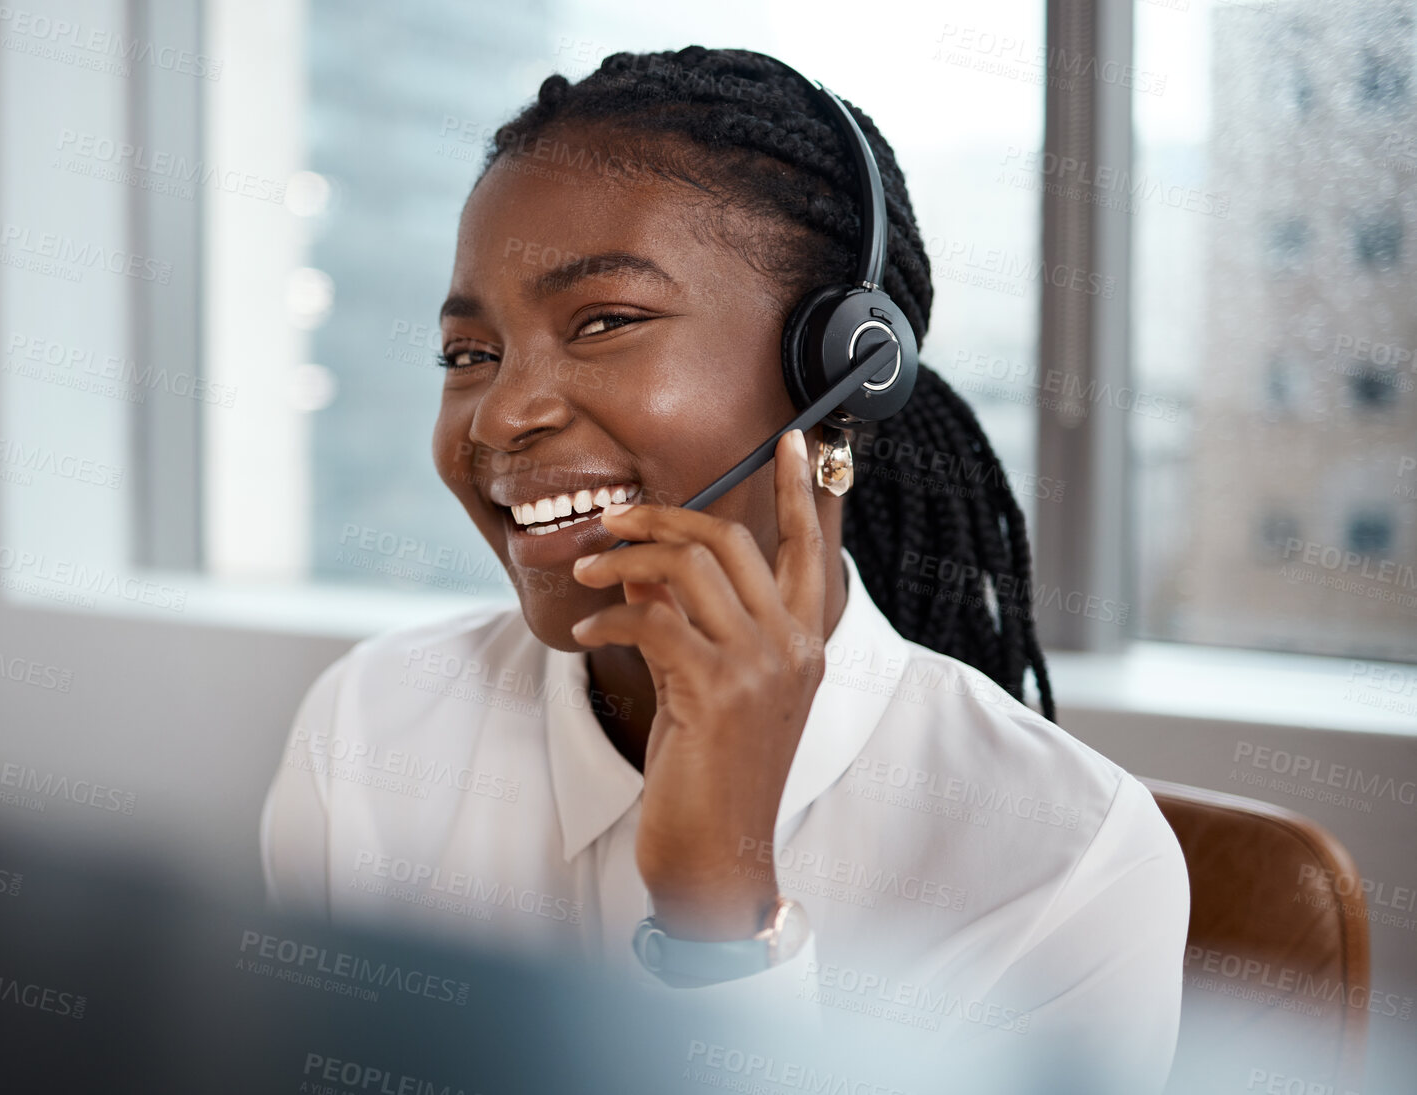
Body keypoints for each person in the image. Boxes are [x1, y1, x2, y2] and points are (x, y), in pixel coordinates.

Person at [262, 46, 1189, 1092]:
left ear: (842, 375)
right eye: (468, 354)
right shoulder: (373, 722)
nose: (502, 413)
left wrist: (720, 915)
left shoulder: (1065, 865)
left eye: (603, 322)